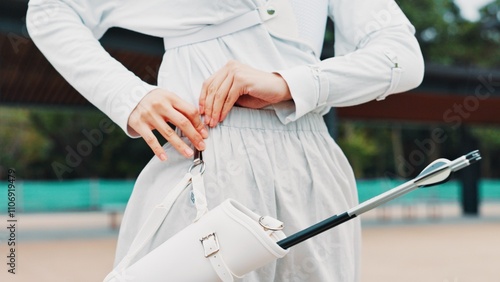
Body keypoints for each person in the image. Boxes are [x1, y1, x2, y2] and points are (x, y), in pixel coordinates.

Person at [27, 0, 424, 281]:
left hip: (312, 162)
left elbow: (402, 57)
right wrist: (129, 96)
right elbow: (50, 8)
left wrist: (289, 82)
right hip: (208, 147)